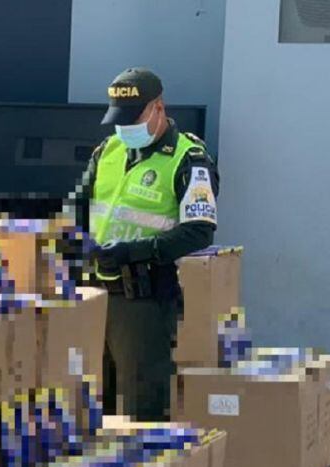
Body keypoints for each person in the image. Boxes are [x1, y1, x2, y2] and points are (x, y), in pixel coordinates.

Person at [83, 67, 220, 421]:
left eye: (134, 117)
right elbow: (80, 207)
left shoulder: (188, 158)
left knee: (141, 407)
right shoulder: (108, 150)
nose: (125, 127)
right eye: (119, 118)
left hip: (144, 297)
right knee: (94, 403)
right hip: (95, 292)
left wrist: (134, 252)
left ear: (158, 107)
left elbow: (199, 230)